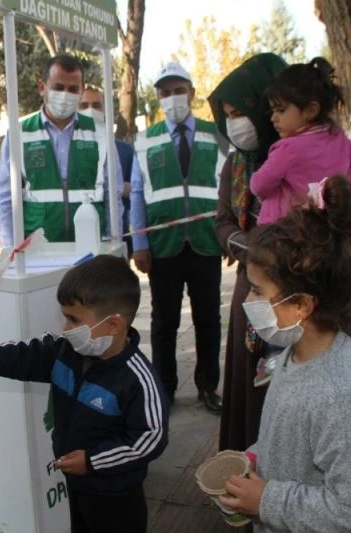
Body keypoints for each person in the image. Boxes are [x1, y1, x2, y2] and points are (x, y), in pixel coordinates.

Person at [219, 175, 351, 532]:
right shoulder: (295, 354)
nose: (248, 302)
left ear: (300, 305)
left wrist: (267, 499)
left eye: (256, 290)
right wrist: (255, 457)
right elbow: (292, 438)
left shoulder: (339, 396)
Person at [0, 255, 167, 533]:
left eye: (73, 319)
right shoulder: (65, 351)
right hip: (78, 483)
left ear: (114, 325)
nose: (65, 328)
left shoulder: (137, 379)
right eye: (64, 317)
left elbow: (149, 438)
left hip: (116, 495)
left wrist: (93, 461)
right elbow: (29, 355)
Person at [250, 57, 351, 384]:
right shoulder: (338, 138)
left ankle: (273, 355)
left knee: (279, 292)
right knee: (342, 289)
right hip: (332, 234)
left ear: (310, 109)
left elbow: (259, 185)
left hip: (292, 240)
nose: (273, 118)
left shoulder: (287, 148)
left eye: (280, 110)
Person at [130, 62, 227, 413]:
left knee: (208, 320)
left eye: (179, 90)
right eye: (165, 92)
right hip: (163, 247)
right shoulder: (145, 140)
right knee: (164, 321)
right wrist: (139, 243)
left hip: (206, 242)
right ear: (157, 98)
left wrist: (229, 235)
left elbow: (229, 186)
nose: (173, 98)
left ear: (192, 93)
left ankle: (208, 386)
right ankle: (164, 389)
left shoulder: (216, 134)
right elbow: (138, 194)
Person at [208, 53, 287, 450]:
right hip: (250, 289)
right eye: (227, 114)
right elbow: (222, 223)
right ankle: (248, 476)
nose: (234, 123)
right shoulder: (235, 165)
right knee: (252, 383)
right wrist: (251, 248)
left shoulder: (300, 154)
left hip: (298, 291)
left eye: (240, 111)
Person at [0, 54, 123, 248]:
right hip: (37, 250)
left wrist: (114, 243)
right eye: (58, 87)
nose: (65, 95)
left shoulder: (100, 133)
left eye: (73, 89)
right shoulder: (19, 134)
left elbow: (113, 195)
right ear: (42, 87)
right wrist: (9, 248)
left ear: (81, 91)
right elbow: (6, 199)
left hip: (91, 246)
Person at [78, 86, 135, 257]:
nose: (90, 110)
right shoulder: (72, 149)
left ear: (105, 108)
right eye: (84, 105)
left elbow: (140, 189)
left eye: (96, 105)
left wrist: (121, 188)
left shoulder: (124, 150)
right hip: (82, 231)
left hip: (117, 232)